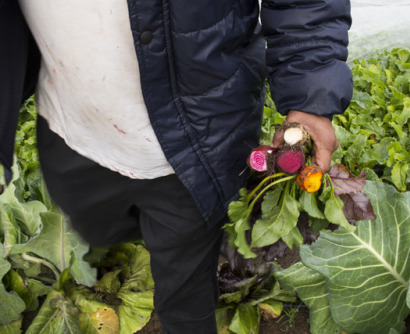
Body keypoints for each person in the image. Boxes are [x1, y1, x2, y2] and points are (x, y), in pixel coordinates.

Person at [0, 0, 353, 333]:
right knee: (101, 227)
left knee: (185, 288)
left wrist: (311, 96)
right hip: (69, 125)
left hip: (197, 144)